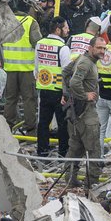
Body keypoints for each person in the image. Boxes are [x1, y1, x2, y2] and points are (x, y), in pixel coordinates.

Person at [63, 32, 105, 186]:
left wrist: (66, 94)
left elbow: (65, 72)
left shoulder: (82, 60)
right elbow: (74, 82)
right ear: (90, 48)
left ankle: (70, 180)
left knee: (75, 147)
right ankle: (92, 183)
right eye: (99, 48)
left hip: (76, 112)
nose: (102, 51)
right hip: (86, 112)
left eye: (104, 48)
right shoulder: (85, 63)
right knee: (94, 150)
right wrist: (83, 95)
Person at [0, 0, 41, 135]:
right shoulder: (30, 22)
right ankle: (30, 129)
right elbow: (38, 43)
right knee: (28, 99)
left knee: (11, 99)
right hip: (27, 69)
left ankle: (8, 127)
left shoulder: (5, 21)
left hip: (10, 68)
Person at [35, 17, 74, 159]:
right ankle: (63, 153)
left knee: (43, 123)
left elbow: (37, 69)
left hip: (44, 89)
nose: (68, 30)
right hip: (59, 92)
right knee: (63, 125)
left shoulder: (40, 44)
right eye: (65, 27)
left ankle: (42, 152)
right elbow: (67, 72)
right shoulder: (63, 48)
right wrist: (67, 93)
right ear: (58, 30)